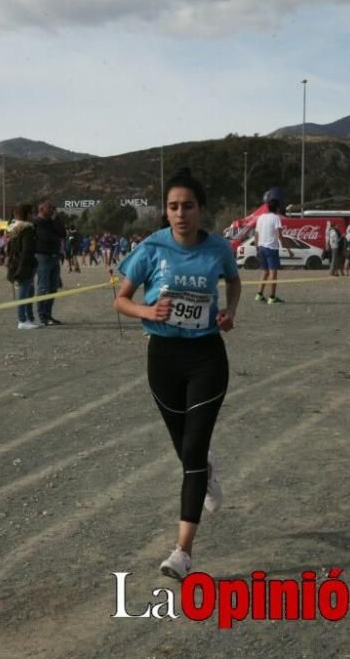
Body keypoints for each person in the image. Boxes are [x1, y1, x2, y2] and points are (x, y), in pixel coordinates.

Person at [113, 168, 241, 580]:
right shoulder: (151, 247)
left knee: (191, 453)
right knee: (187, 451)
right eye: (173, 206)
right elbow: (121, 300)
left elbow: (234, 282)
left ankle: (183, 553)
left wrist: (230, 312)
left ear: (201, 209)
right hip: (163, 357)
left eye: (188, 205)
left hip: (206, 357)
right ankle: (206, 469)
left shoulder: (218, 247)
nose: (180, 213)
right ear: (165, 212)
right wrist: (148, 311)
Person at [7, 206, 40, 330]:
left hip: (14, 263)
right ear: (28, 214)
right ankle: (22, 319)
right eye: (32, 213)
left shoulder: (12, 228)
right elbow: (27, 251)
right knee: (24, 293)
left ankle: (28, 318)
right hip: (24, 265)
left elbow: (9, 250)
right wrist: (21, 270)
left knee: (27, 291)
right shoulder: (27, 229)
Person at [34, 200, 65, 325]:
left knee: (53, 287)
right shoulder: (37, 222)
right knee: (43, 287)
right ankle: (42, 316)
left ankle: (48, 315)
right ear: (41, 209)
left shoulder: (51, 222)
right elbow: (47, 237)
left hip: (54, 257)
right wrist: (56, 238)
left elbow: (63, 234)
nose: (52, 210)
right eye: (50, 208)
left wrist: (57, 219)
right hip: (43, 257)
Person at [254, 198, 291, 304]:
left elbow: (256, 234)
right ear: (277, 208)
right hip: (271, 248)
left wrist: (257, 248)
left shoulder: (261, 217)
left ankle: (259, 294)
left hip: (261, 247)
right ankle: (272, 297)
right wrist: (288, 249)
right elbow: (279, 235)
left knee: (265, 272)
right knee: (273, 272)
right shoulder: (276, 218)